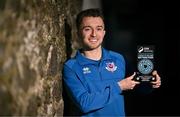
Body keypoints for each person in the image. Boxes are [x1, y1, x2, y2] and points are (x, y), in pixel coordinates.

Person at [62, 8, 161, 116]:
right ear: (78, 33)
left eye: (98, 29)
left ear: (104, 33)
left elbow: (139, 87)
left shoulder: (118, 59)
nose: (94, 34)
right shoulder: (71, 67)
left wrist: (151, 82)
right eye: (87, 29)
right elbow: (84, 103)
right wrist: (119, 86)